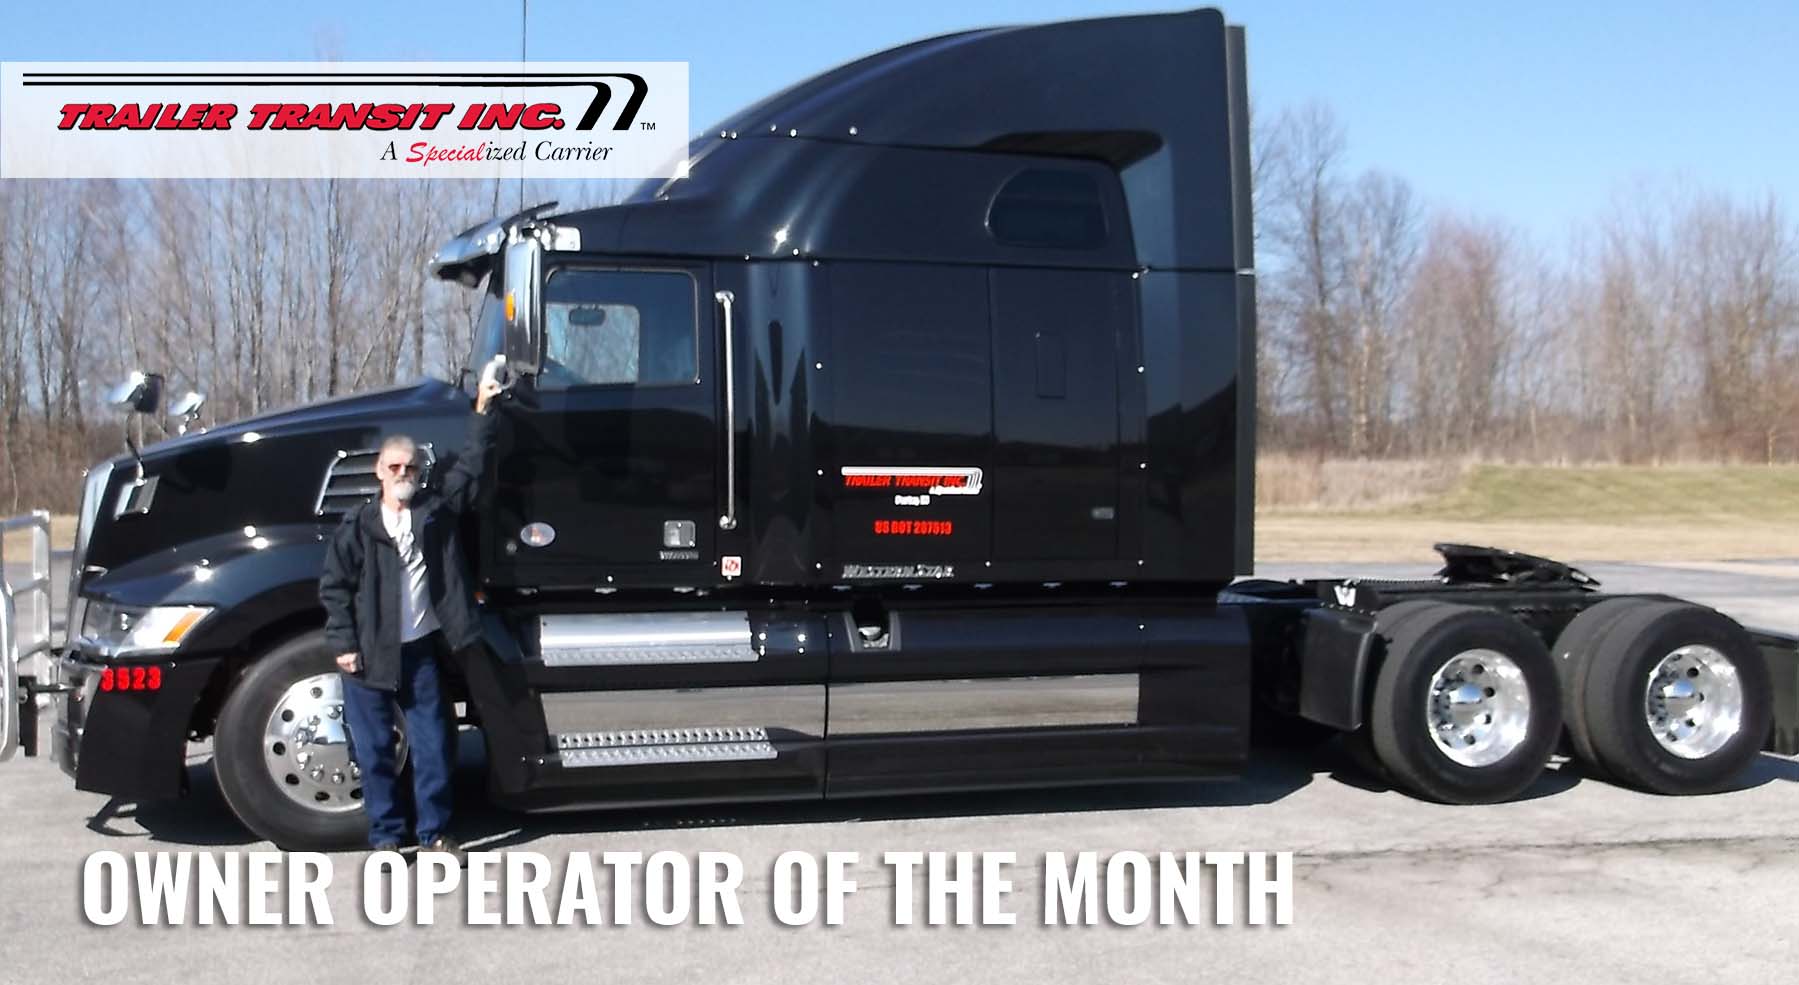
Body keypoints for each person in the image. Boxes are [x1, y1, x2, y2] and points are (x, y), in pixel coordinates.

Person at [318, 372, 502, 855]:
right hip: (368, 658)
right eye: (394, 466)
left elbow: (472, 466)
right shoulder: (357, 528)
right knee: (376, 752)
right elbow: (334, 587)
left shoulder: (436, 514)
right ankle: (386, 840)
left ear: (420, 473)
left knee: (435, 747)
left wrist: (481, 409)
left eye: (411, 468)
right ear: (379, 471)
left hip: (421, 655)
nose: (403, 474)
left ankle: (435, 834)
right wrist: (343, 646)